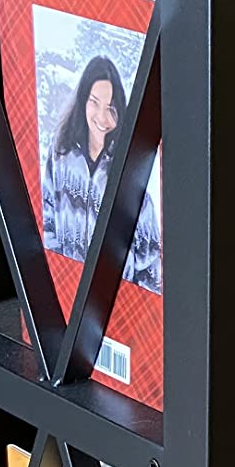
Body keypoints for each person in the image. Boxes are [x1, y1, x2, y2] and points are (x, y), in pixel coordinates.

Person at [43, 55, 162, 292]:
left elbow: (150, 257)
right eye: (94, 102)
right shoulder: (61, 153)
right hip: (69, 287)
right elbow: (48, 219)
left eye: (110, 108)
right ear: (83, 101)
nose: (101, 117)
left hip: (116, 298)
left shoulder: (128, 167)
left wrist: (130, 295)